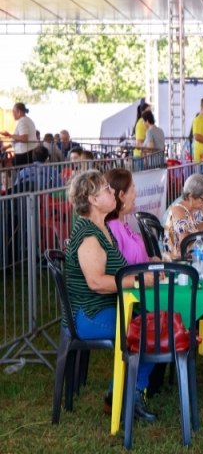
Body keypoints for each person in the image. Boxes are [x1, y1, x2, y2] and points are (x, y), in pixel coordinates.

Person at [65, 170, 156, 421]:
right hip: (89, 315)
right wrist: (137, 280)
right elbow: (96, 282)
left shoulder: (101, 228)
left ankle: (120, 392)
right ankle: (127, 395)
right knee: (149, 332)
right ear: (93, 200)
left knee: (155, 326)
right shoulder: (89, 234)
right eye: (106, 189)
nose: (111, 192)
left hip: (105, 308)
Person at [104, 168, 159, 264]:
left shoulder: (121, 224)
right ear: (122, 195)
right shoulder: (113, 229)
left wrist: (150, 260)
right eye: (132, 189)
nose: (135, 195)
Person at [163, 173, 203, 259]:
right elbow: (185, 243)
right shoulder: (178, 211)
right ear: (191, 196)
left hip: (193, 258)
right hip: (177, 263)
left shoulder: (195, 209)